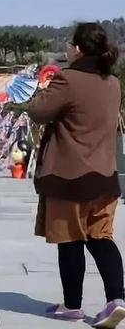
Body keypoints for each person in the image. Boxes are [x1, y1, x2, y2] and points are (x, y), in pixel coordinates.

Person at [29, 22, 125, 327]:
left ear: (79, 49)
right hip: (105, 174)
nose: (66, 49)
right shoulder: (112, 82)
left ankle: (73, 306)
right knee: (101, 237)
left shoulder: (67, 79)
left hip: (69, 175)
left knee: (69, 240)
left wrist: (42, 89)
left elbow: (37, 111)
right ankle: (117, 299)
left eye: (69, 44)